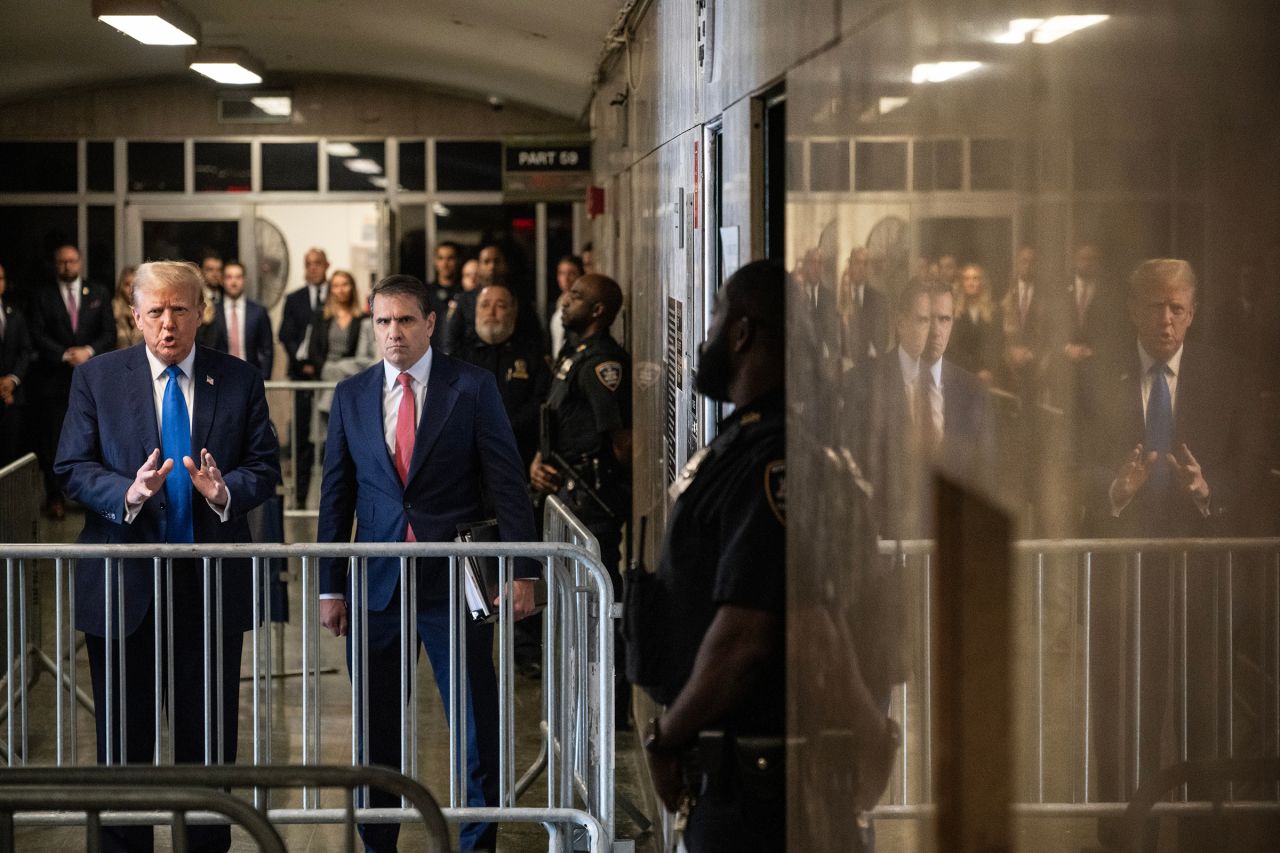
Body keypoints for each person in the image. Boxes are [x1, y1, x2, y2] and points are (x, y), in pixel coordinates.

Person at [54, 260, 280, 853]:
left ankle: (205, 845)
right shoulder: (98, 379)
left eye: (180, 309)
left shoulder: (239, 379)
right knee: (123, 746)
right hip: (123, 585)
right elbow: (72, 466)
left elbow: (265, 468)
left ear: (201, 312)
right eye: (155, 311)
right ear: (134, 317)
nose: (168, 323)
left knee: (207, 742)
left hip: (207, 588)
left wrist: (225, 490)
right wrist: (125, 494)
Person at [316, 274, 538, 853]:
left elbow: (507, 482)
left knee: (473, 721)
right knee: (376, 725)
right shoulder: (352, 394)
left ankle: (477, 842)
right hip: (377, 585)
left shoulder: (473, 387)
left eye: (406, 320)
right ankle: (377, 841)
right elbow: (337, 493)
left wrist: (523, 570)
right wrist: (328, 588)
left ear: (431, 323)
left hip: (454, 581)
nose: (394, 334)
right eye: (383, 322)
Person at [1076, 259, 1265, 849]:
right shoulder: (1093, 376)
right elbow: (1061, 463)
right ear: (1133, 310)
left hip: (1201, 587)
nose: (1166, 319)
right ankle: (1128, 841)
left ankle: (1205, 841)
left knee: (1204, 723)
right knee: (1126, 727)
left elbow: (1250, 470)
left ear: (1194, 311)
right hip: (1123, 589)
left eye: (1177, 307)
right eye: (1155, 306)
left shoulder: (1226, 376)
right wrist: (1115, 487)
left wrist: (1210, 491)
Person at [529, 273, 631, 720]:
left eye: (576, 297)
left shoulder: (603, 363)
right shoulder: (575, 354)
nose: (564, 301)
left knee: (597, 603)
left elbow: (621, 443)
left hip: (592, 500)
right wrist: (539, 460)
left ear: (597, 311)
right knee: (572, 604)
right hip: (566, 495)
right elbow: (560, 419)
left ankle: (607, 704)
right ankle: (579, 699)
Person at [847, 279, 996, 538]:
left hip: (951, 548)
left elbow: (985, 478)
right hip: (884, 546)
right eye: (924, 320)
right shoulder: (862, 384)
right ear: (901, 322)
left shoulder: (973, 394)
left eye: (944, 320)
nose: (936, 332)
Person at [27, 244, 115, 519]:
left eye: (72, 261)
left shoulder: (98, 292)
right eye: (62, 262)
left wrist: (87, 351)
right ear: (55, 264)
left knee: (95, 438)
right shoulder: (43, 296)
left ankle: (93, 496)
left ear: (80, 262)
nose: (68, 266)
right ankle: (55, 497)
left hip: (92, 379)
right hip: (55, 380)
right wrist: (65, 354)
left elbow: (108, 332)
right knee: (55, 441)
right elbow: (36, 333)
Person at [459, 283, 550, 469]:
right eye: (485, 305)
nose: (491, 312)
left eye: (500, 306)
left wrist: (505, 426)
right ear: (476, 311)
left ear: (513, 312)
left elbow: (542, 402)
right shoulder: (458, 359)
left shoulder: (532, 356)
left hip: (519, 459)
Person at [277, 247, 330, 507]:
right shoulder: (294, 298)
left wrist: (320, 364)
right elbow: (285, 335)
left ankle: (330, 500)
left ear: (326, 265)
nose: (313, 268)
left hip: (328, 378)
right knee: (301, 439)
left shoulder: (336, 294)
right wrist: (303, 362)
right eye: (308, 263)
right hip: (301, 378)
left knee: (330, 440)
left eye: (318, 263)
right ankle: (299, 499)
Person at [206, 261, 274, 379]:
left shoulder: (258, 311)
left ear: (244, 280)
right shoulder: (213, 311)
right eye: (229, 277)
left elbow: (267, 349)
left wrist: (263, 378)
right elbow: (207, 348)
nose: (234, 282)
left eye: (238, 277)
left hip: (250, 378)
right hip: (220, 379)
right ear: (222, 280)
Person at [0, 262, 32, 466]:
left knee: (9, 456)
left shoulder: (14, 313)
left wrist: (12, 380)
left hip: (12, 397)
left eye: (1, 278)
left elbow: (25, 350)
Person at [837, 247, 891, 367]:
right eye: (857, 262)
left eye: (865, 263)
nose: (861, 268)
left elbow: (883, 338)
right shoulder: (842, 297)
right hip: (845, 368)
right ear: (850, 265)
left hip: (870, 367)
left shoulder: (879, 300)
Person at [949, 263, 1002, 383]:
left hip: (990, 375)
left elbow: (997, 344)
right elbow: (953, 348)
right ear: (962, 283)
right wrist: (974, 371)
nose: (971, 283)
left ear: (982, 282)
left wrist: (988, 370)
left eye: (975, 278)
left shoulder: (994, 312)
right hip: (962, 374)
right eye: (967, 279)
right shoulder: (954, 314)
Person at [427, 241, 463, 350]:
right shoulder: (425, 293)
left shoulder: (464, 293)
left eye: (450, 258)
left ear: (458, 261)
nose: (445, 263)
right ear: (435, 262)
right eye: (441, 258)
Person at [548, 255, 584, 359]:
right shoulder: (555, 305)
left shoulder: (582, 305)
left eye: (571, 273)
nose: (566, 278)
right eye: (561, 273)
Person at [112, 266, 143, 350]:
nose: (131, 289)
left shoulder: (148, 309)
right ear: (121, 287)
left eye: (135, 284)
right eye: (127, 284)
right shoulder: (114, 309)